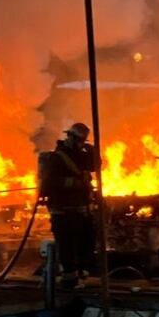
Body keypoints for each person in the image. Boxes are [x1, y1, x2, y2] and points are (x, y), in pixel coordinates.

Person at [38, 122, 100, 289]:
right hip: (63, 211)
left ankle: (81, 274)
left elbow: (96, 167)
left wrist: (94, 152)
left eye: (83, 141)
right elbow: (50, 183)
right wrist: (75, 183)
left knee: (87, 242)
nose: (81, 144)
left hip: (82, 210)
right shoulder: (57, 158)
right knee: (67, 245)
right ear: (71, 137)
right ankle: (68, 279)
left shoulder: (81, 155)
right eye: (79, 141)